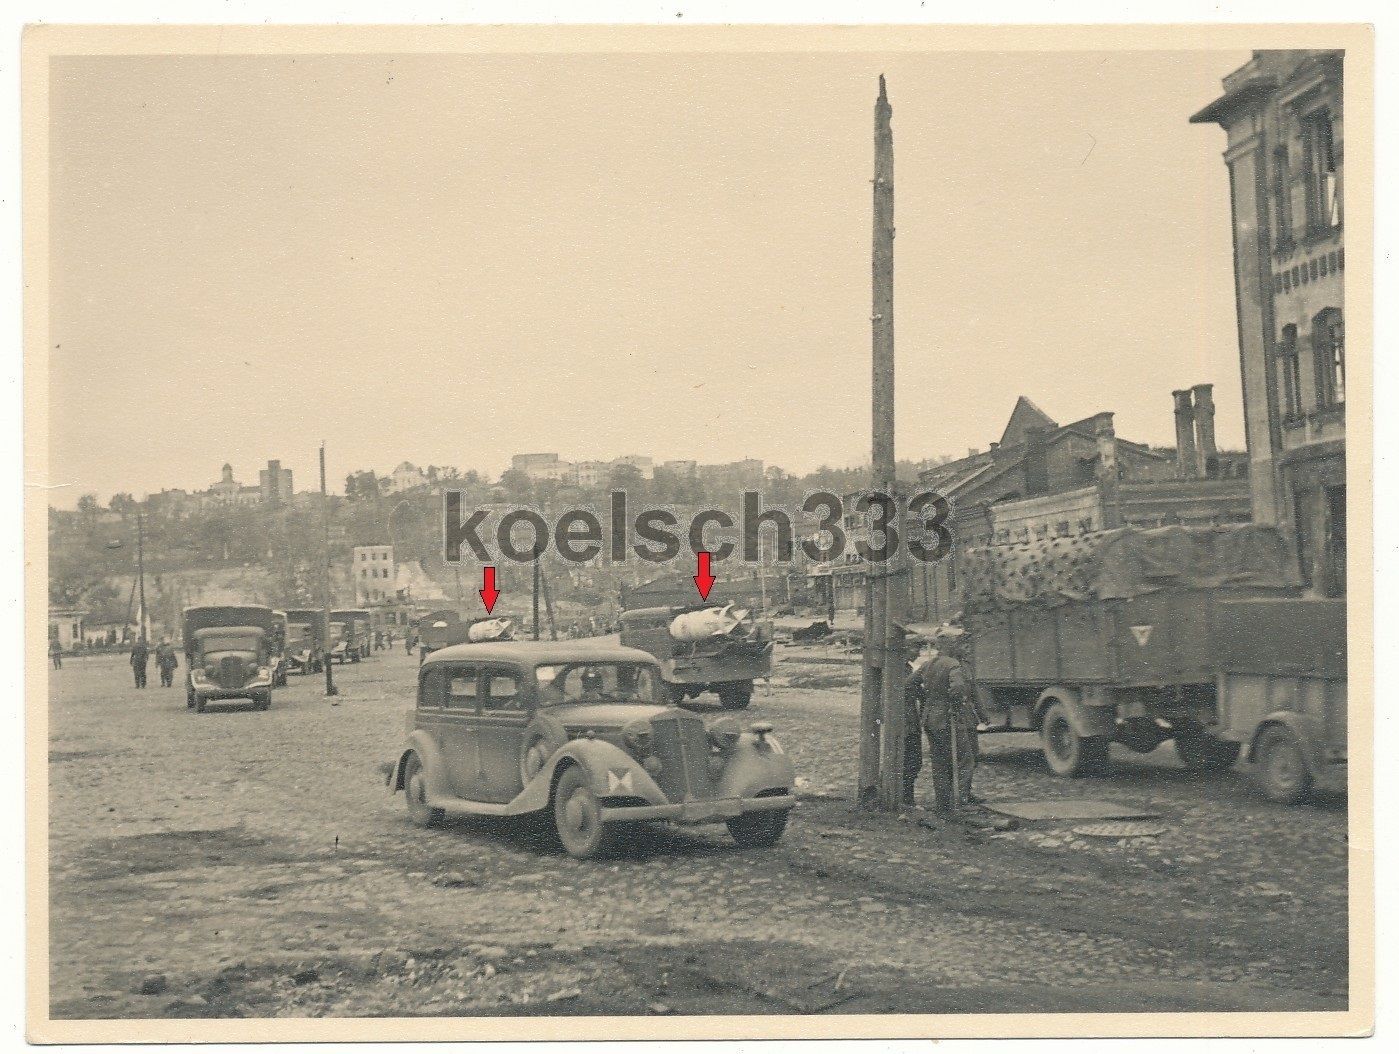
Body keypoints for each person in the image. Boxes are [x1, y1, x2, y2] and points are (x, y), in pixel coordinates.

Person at [919, 634, 978, 815]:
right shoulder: (953, 665)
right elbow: (958, 688)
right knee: (965, 759)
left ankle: (943, 804)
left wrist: (927, 700)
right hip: (948, 719)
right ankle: (962, 801)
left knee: (939, 762)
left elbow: (910, 684)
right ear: (950, 647)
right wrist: (953, 702)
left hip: (930, 718)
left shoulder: (928, 664)